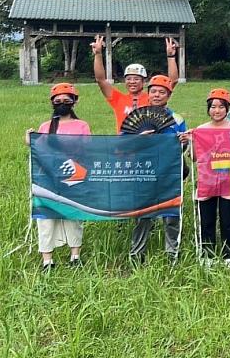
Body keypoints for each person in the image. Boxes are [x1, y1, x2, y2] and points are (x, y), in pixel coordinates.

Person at [25, 83, 91, 271]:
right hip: (48, 178)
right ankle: (47, 259)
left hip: (73, 177)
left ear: (74, 102)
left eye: (67, 100)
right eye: (58, 100)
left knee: (73, 215)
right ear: (52, 102)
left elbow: (88, 149)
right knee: (46, 217)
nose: (62, 103)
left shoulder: (82, 125)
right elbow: (37, 148)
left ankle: (75, 256)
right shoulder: (45, 126)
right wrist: (29, 138)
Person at [128, 75, 188, 263]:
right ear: (148, 93)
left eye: (162, 92)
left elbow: (183, 148)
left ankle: (172, 255)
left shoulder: (177, 118)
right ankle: (137, 255)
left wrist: (183, 142)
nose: (157, 95)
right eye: (153, 91)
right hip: (144, 173)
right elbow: (123, 145)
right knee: (143, 215)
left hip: (169, 173)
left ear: (168, 95)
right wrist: (139, 139)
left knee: (171, 215)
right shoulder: (137, 116)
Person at [90, 35, 179, 132]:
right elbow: (100, 80)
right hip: (125, 143)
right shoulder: (118, 99)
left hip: (148, 142)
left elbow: (172, 81)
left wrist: (171, 56)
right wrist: (98, 54)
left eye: (136, 79)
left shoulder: (152, 98)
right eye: (128, 79)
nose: (132, 82)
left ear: (144, 81)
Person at [194, 88, 230, 268]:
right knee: (207, 220)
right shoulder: (200, 130)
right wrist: (189, 141)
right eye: (213, 107)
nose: (217, 110)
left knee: (228, 221)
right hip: (206, 180)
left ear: (228, 108)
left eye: (221, 106)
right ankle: (207, 255)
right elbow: (195, 157)